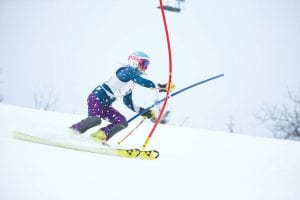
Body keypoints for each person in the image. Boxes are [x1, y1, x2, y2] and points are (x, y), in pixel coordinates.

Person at [70, 51, 174, 142]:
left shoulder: (130, 83)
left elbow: (128, 101)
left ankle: (98, 137)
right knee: (95, 120)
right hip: (97, 98)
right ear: (134, 61)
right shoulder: (126, 71)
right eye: (144, 63)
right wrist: (161, 86)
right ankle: (71, 132)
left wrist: (142, 111)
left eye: (147, 65)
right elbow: (141, 81)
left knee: (122, 122)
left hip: (105, 105)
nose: (145, 67)